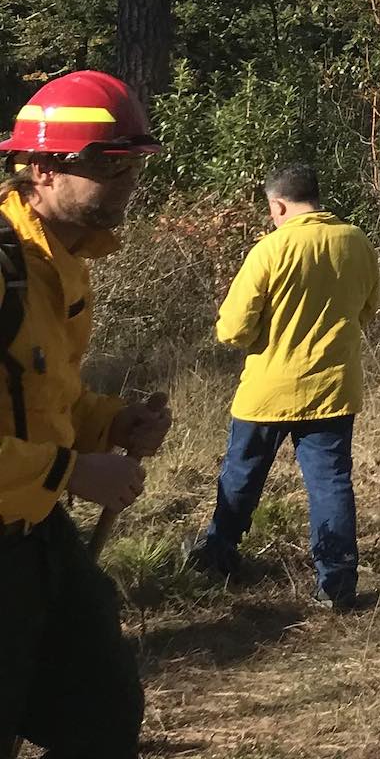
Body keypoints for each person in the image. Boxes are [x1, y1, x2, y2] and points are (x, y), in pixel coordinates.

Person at [0, 70, 173, 758]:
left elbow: (47, 400)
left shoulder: (62, 265)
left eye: (132, 164)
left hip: (37, 539)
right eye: (105, 163)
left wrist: (110, 424)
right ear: (39, 168)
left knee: (100, 712)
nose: (125, 181)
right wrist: (71, 471)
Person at [189, 161, 380, 610]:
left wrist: (261, 338)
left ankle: (218, 556)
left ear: (278, 204)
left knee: (242, 476)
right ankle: (337, 586)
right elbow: (368, 309)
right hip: (333, 388)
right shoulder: (355, 242)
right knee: (331, 483)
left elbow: (232, 329)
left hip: (267, 392)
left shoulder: (270, 251)